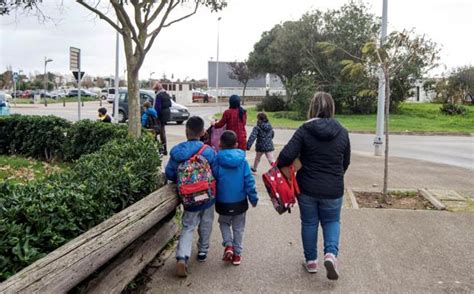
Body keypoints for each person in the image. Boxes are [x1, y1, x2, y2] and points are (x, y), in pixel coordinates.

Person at [277, 92, 351, 280]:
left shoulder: (304, 130)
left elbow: (284, 157)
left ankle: (311, 261)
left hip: (307, 187)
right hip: (334, 188)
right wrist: (335, 176)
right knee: (332, 221)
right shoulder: (342, 131)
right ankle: (331, 255)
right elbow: (346, 161)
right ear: (332, 108)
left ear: (313, 107)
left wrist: (298, 162)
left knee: (309, 222)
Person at [165, 116, 216, 278]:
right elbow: (216, 173)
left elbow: (170, 173)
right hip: (207, 197)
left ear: (186, 131)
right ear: (202, 132)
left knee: (188, 226)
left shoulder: (177, 152)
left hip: (188, 198)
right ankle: (202, 251)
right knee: (206, 223)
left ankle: (182, 257)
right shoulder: (208, 151)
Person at [212, 130, 258, 266]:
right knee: (239, 228)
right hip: (240, 202)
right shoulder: (242, 162)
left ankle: (228, 245)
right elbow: (249, 181)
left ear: (220, 144)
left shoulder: (217, 160)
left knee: (224, 223)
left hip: (222, 202)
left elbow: (213, 178)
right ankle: (237, 255)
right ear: (236, 144)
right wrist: (253, 198)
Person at [153, 83, 172, 155]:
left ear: (157, 89)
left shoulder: (158, 95)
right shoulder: (166, 94)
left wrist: (155, 115)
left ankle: (161, 149)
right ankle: (165, 149)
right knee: (162, 131)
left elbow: (157, 107)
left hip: (160, 115)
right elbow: (170, 104)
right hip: (166, 114)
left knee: (158, 132)